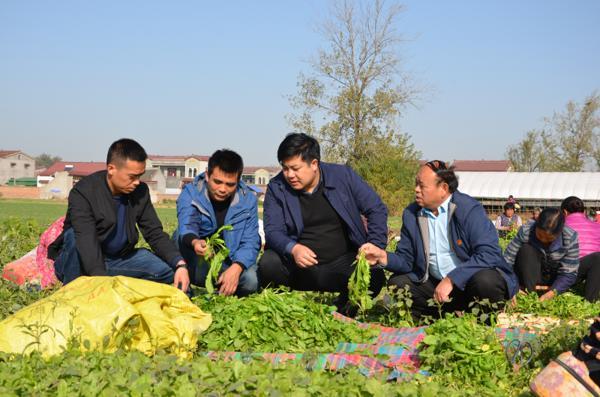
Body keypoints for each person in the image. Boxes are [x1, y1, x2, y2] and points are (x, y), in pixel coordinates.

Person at [361, 160, 517, 321]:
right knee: (398, 283)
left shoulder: (468, 209)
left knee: (487, 282)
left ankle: (483, 322)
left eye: (422, 186)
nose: (416, 190)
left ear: (443, 188)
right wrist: (382, 256)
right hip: (436, 289)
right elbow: (406, 260)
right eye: (416, 184)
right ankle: (433, 321)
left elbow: (489, 253)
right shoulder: (412, 213)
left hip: (469, 284)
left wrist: (452, 279)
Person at [258, 133, 387, 312]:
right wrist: (293, 248)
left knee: (374, 276)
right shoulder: (277, 187)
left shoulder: (343, 177)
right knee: (268, 264)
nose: (289, 175)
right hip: (299, 267)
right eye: (285, 168)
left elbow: (376, 208)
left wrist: (374, 245)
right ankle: (282, 310)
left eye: (295, 168)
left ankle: (346, 309)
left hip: (341, 262)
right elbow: (272, 230)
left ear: (314, 164)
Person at [48, 138, 190, 291]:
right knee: (73, 236)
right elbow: (85, 238)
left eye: (140, 176)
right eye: (132, 177)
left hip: (118, 260)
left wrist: (179, 264)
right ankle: (77, 288)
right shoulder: (84, 192)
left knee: (169, 270)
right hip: (83, 257)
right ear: (111, 169)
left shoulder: (140, 192)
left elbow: (154, 233)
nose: (137, 182)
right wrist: (100, 283)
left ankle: (105, 279)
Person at [174, 149, 260, 296]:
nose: (222, 189)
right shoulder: (191, 192)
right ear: (207, 175)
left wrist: (237, 267)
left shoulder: (248, 200)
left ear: (238, 182)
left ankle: (224, 284)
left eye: (230, 184)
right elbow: (187, 225)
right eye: (217, 182)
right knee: (177, 237)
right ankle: (182, 277)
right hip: (197, 258)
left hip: (229, 261)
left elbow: (251, 241)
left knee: (251, 281)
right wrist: (195, 242)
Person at [504, 207, 579, 301]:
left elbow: (569, 272)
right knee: (526, 250)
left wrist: (553, 292)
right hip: (529, 276)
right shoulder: (526, 230)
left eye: (549, 239)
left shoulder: (570, 237)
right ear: (536, 223)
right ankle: (530, 295)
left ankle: (542, 295)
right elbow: (507, 261)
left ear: (560, 232)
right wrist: (513, 286)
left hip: (553, 277)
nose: (543, 240)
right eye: (539, 235)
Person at [561, 196, 600, 302]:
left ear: (564, 212)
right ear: (583, 211)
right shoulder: (597, 226)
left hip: (570, 272)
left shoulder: (561, 226)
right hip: (595, 270)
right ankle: (591, 301)